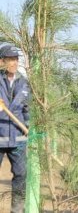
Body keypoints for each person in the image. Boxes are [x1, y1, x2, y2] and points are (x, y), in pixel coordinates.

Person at [0, 45, 30, 213]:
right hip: (0, 134)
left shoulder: (23, 82)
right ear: (1, 62)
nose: (14, 63)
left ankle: (17, 210)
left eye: (16, 59)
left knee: (21, 175)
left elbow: (28, 110)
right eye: (10, 59)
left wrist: (29, 127)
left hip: (18, 138)